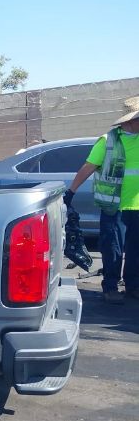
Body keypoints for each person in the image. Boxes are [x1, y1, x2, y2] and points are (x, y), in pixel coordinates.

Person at [65, 108, 139, 304]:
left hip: (137, 207)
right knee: (113, 249)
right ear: (130, 121)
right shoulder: (108, 141)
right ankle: (110, 287)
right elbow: (88, 167)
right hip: (114, 206)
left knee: (136, 250)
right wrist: (71, 191)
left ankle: (133, 287)